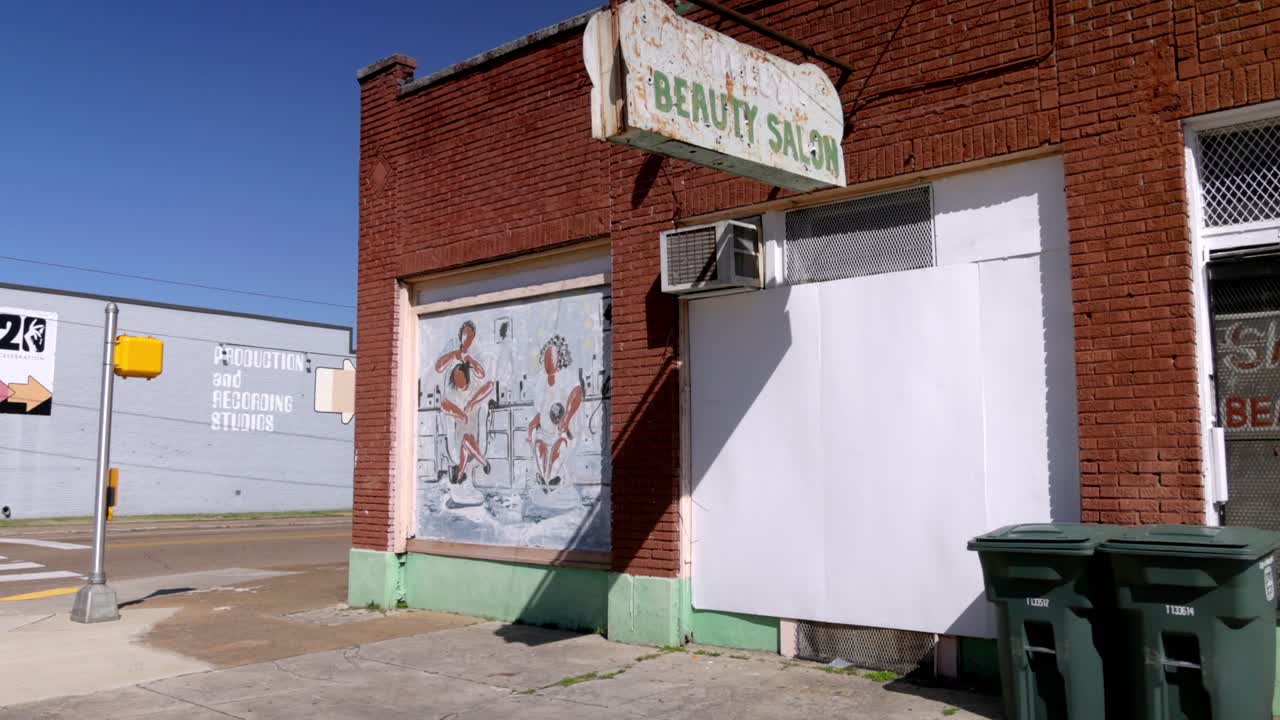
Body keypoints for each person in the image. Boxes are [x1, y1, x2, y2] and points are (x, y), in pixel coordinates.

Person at [435, 321, 493, 495]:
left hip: (472, 426)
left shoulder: (475, 358)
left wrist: (470, 359)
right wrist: (454, 354)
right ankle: (480, 463)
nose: (467, 339)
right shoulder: (452, 349)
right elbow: (438, 367)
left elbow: (486, 380)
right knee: (465, 443)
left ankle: (460, 474)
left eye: (471, 336)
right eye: (465, 335)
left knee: (467, 442)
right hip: (459, 429)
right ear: (460, 335)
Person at [526, 335, 583, 491]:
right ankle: (546, 480)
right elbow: (540, 410)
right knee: (539, 446)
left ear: (558, 358)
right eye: (545, 357)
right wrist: (532, 424)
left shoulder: (567, 376)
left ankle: (551, 478)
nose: (547, 360)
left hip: (562, 429)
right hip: (544, 429)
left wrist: (566, 419)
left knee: (560, 445)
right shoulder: (540, 381)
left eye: (551, 357)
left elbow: (577, 393)